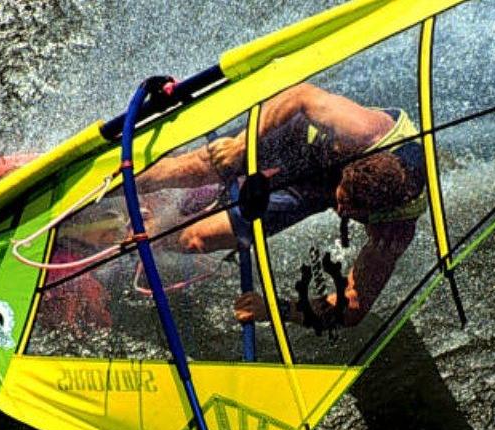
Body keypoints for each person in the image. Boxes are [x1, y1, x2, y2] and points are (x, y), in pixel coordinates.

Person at [137, 83, 428, 329]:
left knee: (197, 239)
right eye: (341, 199)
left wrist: (279, 310)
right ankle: (119, 183)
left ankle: (143, 238)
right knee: (195, 169)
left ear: (377, 213)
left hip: (312, 190)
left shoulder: (395, 228)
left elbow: (353, 305)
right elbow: (300, 95)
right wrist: (240, 146)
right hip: (300, 138)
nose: (340, 211)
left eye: (350, 212)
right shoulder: (362, 130)